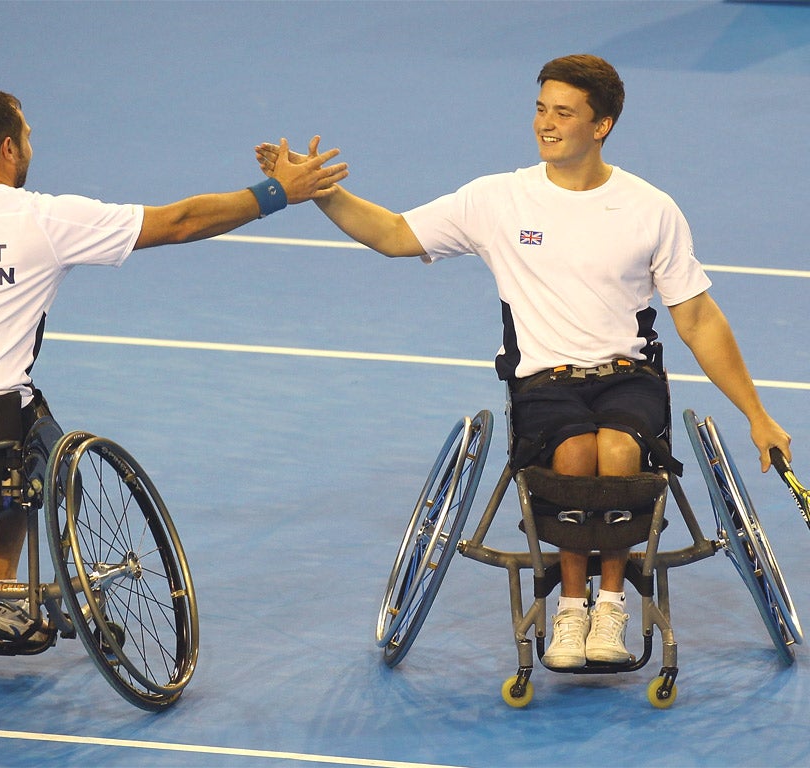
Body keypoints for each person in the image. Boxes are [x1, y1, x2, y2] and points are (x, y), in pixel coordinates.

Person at [256, 54, 791, 669]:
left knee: (617, 451)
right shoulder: (498, 199)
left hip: (630, 377)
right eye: (541, 108)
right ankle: (570, 610)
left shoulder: (650, 208)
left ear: (602, 125)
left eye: (564, 113)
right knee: (571, 457)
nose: (546, 123)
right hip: (544, 382)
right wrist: (320, 189)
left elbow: (697, 318)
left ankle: (609, 607)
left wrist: (757, 414)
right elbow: (395, 235)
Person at [0, 89, 347, 642]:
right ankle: (2, 597)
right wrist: (276, 193)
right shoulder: (43, 218)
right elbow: (181, 221)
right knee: (29, 446)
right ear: (7, 148)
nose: (30, 143)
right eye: (26, 135)